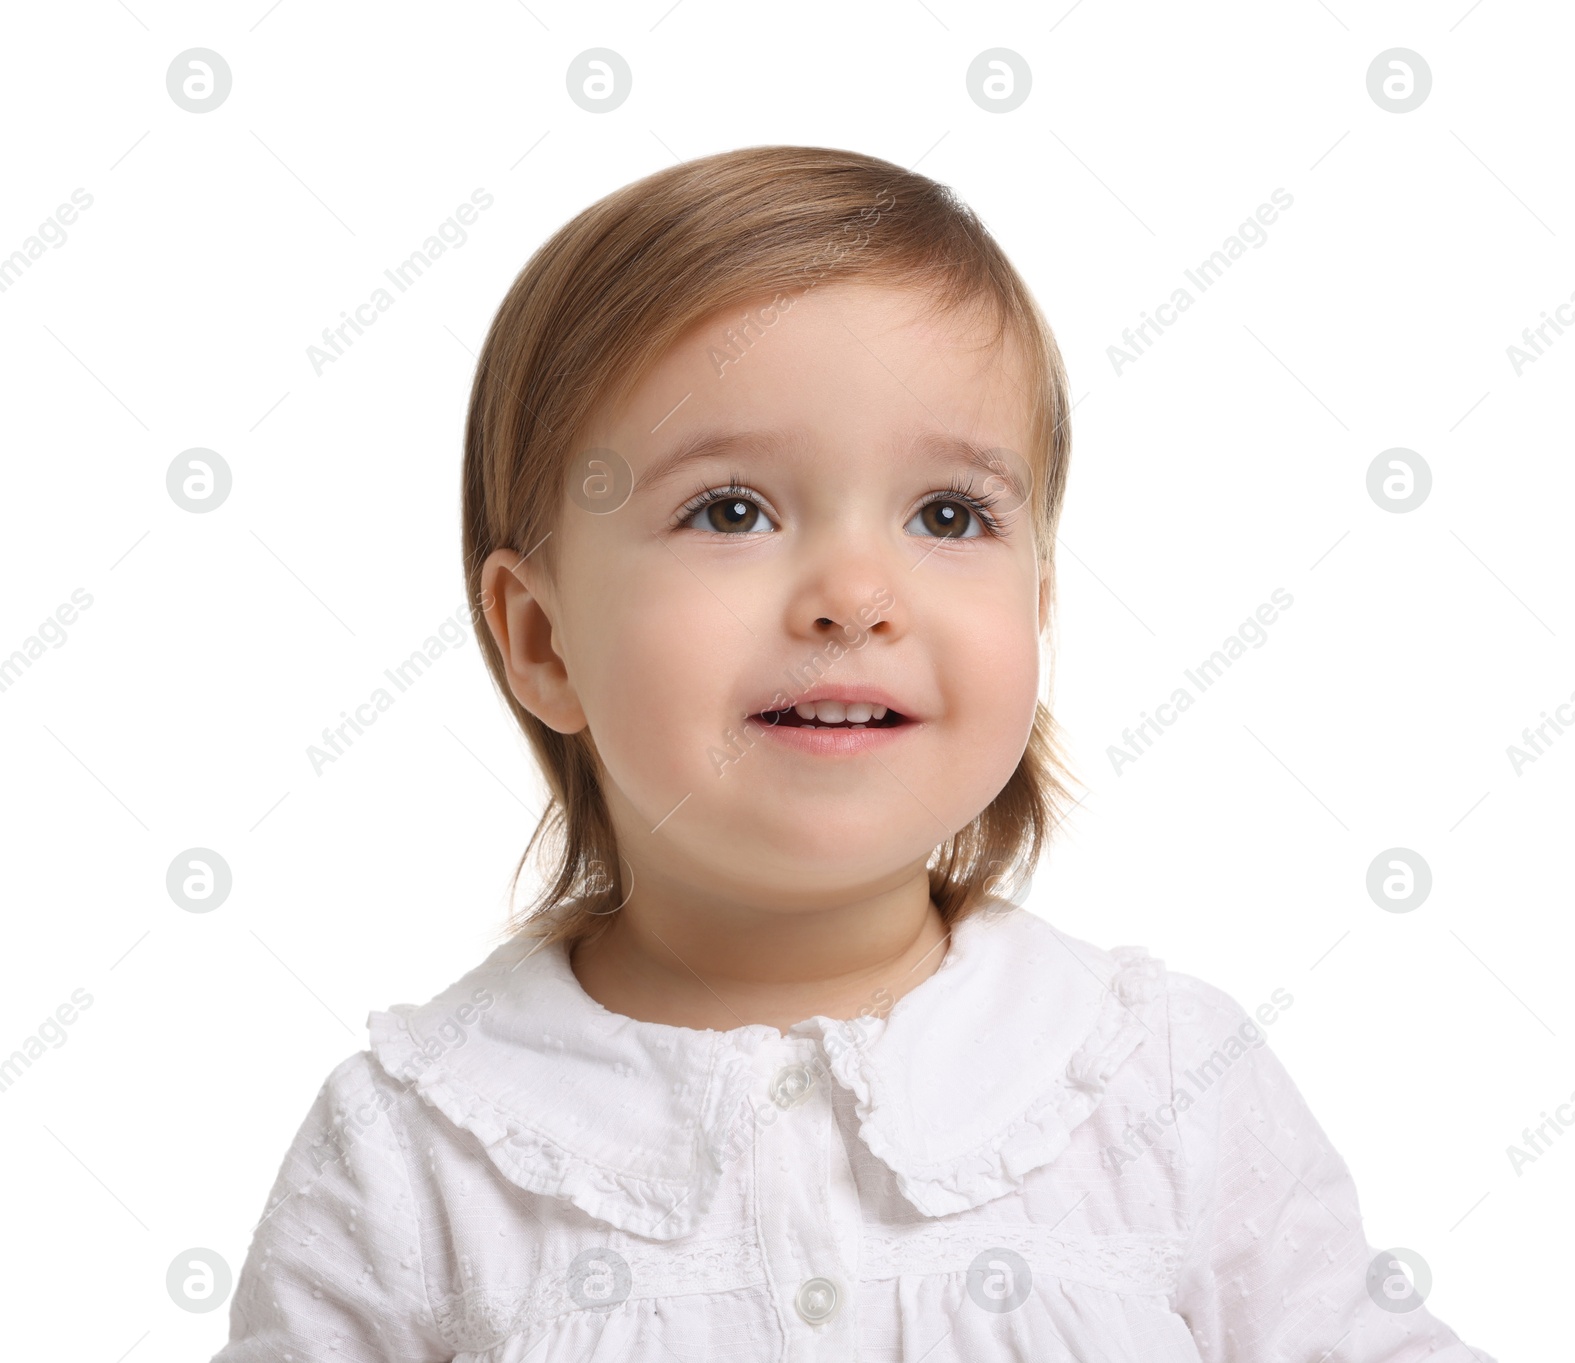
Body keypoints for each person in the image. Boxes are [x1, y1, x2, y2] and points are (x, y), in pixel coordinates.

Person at [212, 145, 1496, 1362]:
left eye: (949, 513)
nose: (855, 594)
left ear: (1039, 603)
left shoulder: (1154, 1082)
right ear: (542, 639)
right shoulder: (420, 1148)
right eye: (731, 509)